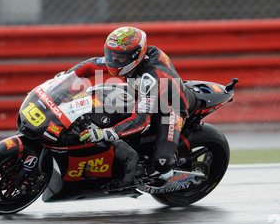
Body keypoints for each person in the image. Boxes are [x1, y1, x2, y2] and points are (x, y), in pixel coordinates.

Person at [67, 26, 190, 188]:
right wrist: (66, 76)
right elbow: (91, 65)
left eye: (119, 58)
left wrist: (107, 133)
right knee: (98, 102)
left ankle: (174, 178)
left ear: (135, 56)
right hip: (140, 93)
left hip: (169, 108)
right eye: (110, 55)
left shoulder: (149, 77)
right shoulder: (127, 58)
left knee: (162, 162)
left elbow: (141, 120)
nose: (113, 61)